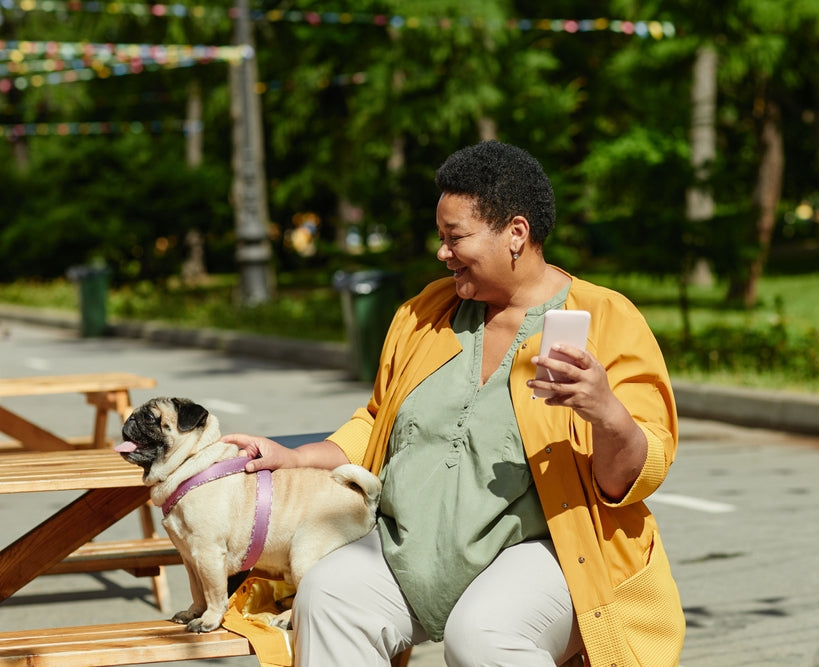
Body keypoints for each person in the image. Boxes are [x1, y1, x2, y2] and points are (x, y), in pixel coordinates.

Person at [223, 140, 685, 666]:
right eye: (441, 237)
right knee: (328, 593)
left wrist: (605, 410)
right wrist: (298, 456)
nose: (442, 252)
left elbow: (636, 473)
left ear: (516, 233)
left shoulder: (608, 318)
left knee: (482, 635)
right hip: (409, 548)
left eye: (455, 237)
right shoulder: (425, 313)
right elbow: (378, 422)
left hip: (547, 551)